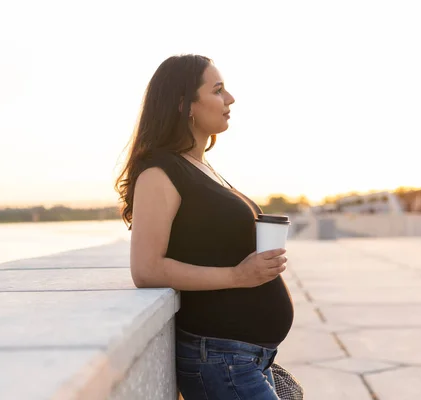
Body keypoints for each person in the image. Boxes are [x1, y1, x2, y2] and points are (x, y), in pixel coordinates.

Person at [115, 54, 294, 399]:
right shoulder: (159, 172)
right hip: (222, 361)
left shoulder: (201, 166)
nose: (230, 99)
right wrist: (239, 276)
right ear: (186, 105)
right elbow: (146, 269)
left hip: (247, 359)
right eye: (218, 90)